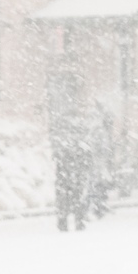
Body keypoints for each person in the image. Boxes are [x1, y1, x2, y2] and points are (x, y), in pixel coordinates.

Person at [48, 72, 91, 232]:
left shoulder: (65, 125)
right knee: (72, 196)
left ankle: (67, 220)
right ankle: (73, 220)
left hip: (68, 170)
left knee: (68, 196)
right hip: (69, 170)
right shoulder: (73, 126)